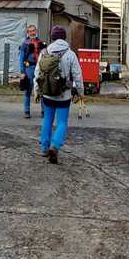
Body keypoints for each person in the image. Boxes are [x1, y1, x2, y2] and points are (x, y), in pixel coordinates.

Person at [33, 25, 83, 164]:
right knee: (62, 122)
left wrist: (36, 91)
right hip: (64, 95)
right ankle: (55, 146)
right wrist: (80, 92)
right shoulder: (70, 54)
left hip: (47, 93)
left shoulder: (44, 52)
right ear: (64, 37)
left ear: (52, 37)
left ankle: (44, 148)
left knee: (47, 120)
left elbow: (37, 73)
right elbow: (77, 75)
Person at [18, 23, 45, 119]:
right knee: (28, 89)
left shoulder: (41, 43)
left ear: (36, 31)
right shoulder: (25, 44)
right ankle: (27, 111)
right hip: (29, 68)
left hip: (40, 68)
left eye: (33, 31)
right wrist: (22, 71)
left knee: (42, 89)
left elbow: (46, 56)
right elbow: (21, 58)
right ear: (28, 33)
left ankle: (44, 111)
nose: (32, 33)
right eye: (30, 31)